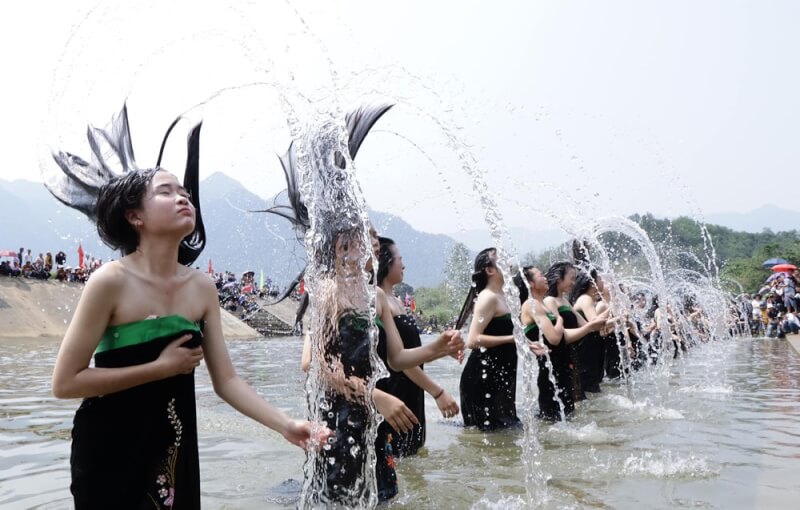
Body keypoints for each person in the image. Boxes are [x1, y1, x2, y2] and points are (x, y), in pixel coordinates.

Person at [47, 106, 328, 509]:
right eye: (166, 191)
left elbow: (227, 381)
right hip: (108, 445)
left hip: (172, 448)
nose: (182, 197)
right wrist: (159, 369)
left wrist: (286, 425)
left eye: (185, 192)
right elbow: (66, 382)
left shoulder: (202, 288)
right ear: (134, 216)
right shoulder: (109, 281)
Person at [376, 236, 460, 456]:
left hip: (411, 389)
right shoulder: (379, 300)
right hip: (395, 390)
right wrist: (437, 391)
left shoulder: (394, 300)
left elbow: (409, 350)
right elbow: (397, 360)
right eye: (399, 259)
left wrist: (442, 350)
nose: (403, 265)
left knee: (410, 457)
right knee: (397, 455)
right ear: (385, 261)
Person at [457, 248, 545, 430]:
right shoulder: (487, 297)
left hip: (501, 376)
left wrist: (527, 344)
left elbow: (507, 335)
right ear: (490, 270)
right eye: (502, 260)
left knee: (506, 431)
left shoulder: (504, 297)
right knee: (489, 437)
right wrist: (512, 339)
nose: (510, 263)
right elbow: (473, 340)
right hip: (483, 377)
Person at [543, 262, 607, 405]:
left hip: (572, 355)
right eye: (571, 278)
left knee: (577, 401)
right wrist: (591, 326)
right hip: (558, 357)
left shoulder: (565, 301)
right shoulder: (549, 301)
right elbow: (559, 334)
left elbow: (586, 325)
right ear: (559, 279)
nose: (574, 282)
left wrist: (608, 316)